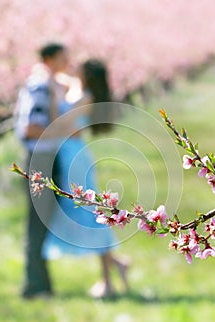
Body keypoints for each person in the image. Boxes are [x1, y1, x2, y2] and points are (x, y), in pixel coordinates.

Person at [40, 59, 130, 298]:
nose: (73, 66)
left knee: (91, 214)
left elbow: (61, 125)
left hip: (74, 157)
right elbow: (58, 78)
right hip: (67, 154)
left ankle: (107, 281)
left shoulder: (85, 96)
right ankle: (117, 265)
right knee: (83, 212)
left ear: (87, 73)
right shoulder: (77, 88)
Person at [14, 43, 69, 299]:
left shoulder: (47, 82)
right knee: (38, 222)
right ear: (49, 58)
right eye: (62, 56)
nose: (67, 60)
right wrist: (63, 129)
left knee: (43, 221)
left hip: (46, 157)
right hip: (41, 159)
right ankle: (34, 285)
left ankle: (42, 284)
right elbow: (32, 128)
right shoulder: (39, 84)